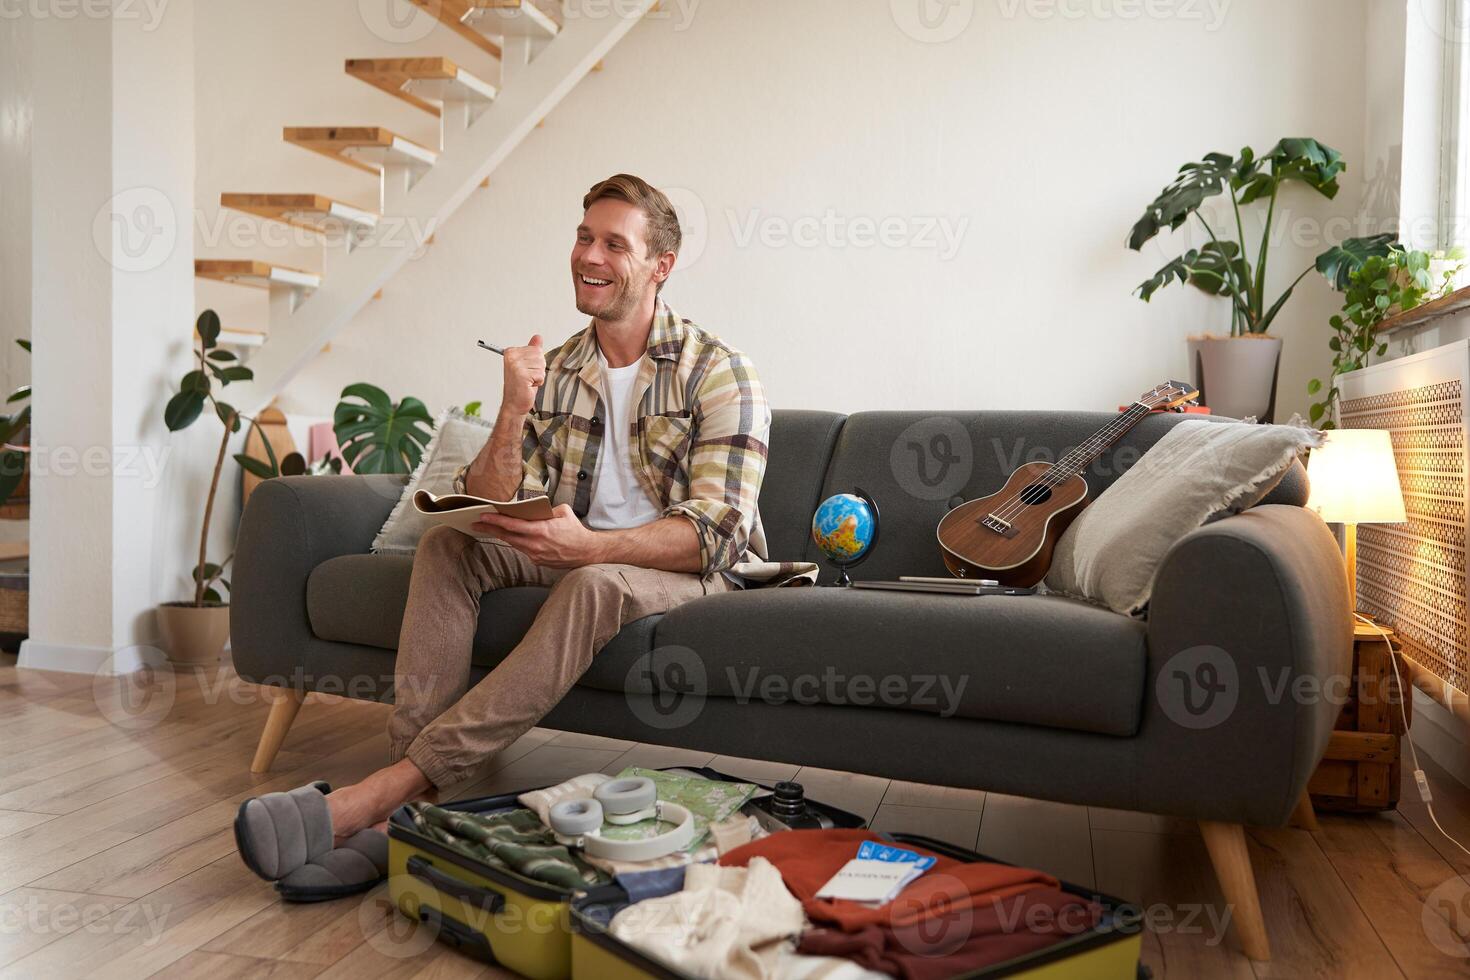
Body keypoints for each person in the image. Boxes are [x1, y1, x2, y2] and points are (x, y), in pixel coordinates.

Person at [323, 173, 774, 838]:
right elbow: (492, 499)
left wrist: (592, 547)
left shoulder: (719, 372)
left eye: (614, 245)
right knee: (448, 548)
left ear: (660, 267)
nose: (590, 256)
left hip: (688, 570)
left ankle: (394, 790)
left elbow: (714, 537)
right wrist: (512, 409)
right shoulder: (557, 368)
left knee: (593, 581)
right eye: (584, 237)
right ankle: (415, 804)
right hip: (579, 548)